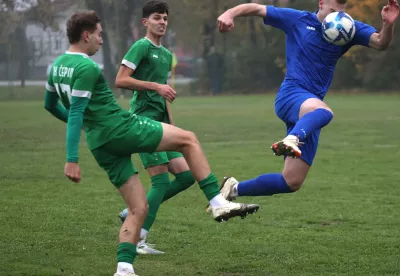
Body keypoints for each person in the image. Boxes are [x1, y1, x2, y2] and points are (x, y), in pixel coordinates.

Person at [43, 11, 259, 276]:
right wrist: (72, 159)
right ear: (86, 35)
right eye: (99, 35)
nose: (101, 41)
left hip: (100, 143)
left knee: (138, 208)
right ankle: (217, 202)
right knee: (189, 139)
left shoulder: (56, 67)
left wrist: (90, 127)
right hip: (121, 128)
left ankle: (124, 268)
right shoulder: (87, 67)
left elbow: (50, 105)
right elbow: (77, 112)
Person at [210, 0, 400, 208]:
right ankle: (292, 138)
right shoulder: (298, 20)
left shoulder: (347, 27)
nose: (336, 17)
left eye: (341, 11)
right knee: (325, 112)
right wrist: (230, 13)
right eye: (332, 11)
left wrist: (388, 24)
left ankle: (233, 189)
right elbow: (257, 8)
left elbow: (381, 42)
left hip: (309, 115)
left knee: (291, 181)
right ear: (321, 3)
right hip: (291, 95)